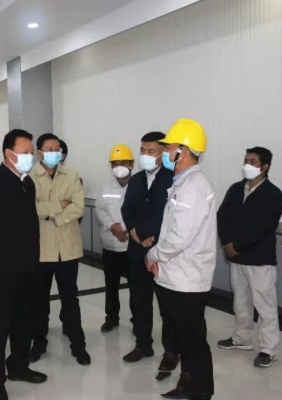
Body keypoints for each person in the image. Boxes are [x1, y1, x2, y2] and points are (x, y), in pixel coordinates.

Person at [0, 129, 47, 400]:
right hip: (2, 271)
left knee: (23, 321)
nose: (30, 156)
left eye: (31, 152)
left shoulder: (27, 183)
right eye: (25, 152)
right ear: (9, 154)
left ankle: (19, 366)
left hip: (27, 267)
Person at [145, 119, 216, 400]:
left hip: (187, 278)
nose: (165, 152)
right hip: (177, 275)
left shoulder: (193, 187)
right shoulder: (183, 182)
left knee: (192, 339)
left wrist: (153, 254)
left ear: (182, 150)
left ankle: (200, 390)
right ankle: (189, 384)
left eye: (169, 148)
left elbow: (179, 237)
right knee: (186, 337)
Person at [216, 147, 282, 368]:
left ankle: (268, 349)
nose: (247, 165)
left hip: (259, 260)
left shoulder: (273, 194)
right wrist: (227, 242)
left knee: (265, 306)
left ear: (265, 166)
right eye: (246, 160)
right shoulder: (236, 189)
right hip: (236, 259)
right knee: (241, 301)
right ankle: (242, 338)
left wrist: (237, 245)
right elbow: (222, 216)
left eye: (253, 162)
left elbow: (264, 226)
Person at [28, 133, 90, 366]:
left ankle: (78, 345)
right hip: (41, 250)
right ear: (39, 152)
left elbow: (79, 207)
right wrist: (59, 206)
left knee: (70, 299)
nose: (54, 152)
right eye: (49, 148)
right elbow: (29, 209)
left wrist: (54, 216)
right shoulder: (29, 177)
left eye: (57, 148)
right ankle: (39, 343)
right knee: (39, 301)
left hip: (68, 249)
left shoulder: (72, 174)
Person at [121, 132, 178, 381]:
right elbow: (127, 209)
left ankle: (171, 351)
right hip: (137, 250)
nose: (145, 155)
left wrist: (151, 241)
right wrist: (135, 234)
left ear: (163, 153)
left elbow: (169, 216)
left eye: (151, 151)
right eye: (142, 150)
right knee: (139, 301)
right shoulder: (135, 180)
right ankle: (143, 344)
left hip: (163, 253)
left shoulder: (173, 178)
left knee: (167, 306)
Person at [94, 144, 134, 332]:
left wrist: (123, 228)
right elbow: (99, 210)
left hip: (132, 245)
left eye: (123, 162)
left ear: (131, 164)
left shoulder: (139, 186)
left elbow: (139, 213)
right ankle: (111, 317)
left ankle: (137, 319)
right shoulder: (104, 186)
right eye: (115, 163)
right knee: (111, 285)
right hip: (110, 245)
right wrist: (113, 226)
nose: (119, 166)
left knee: (136, 286)